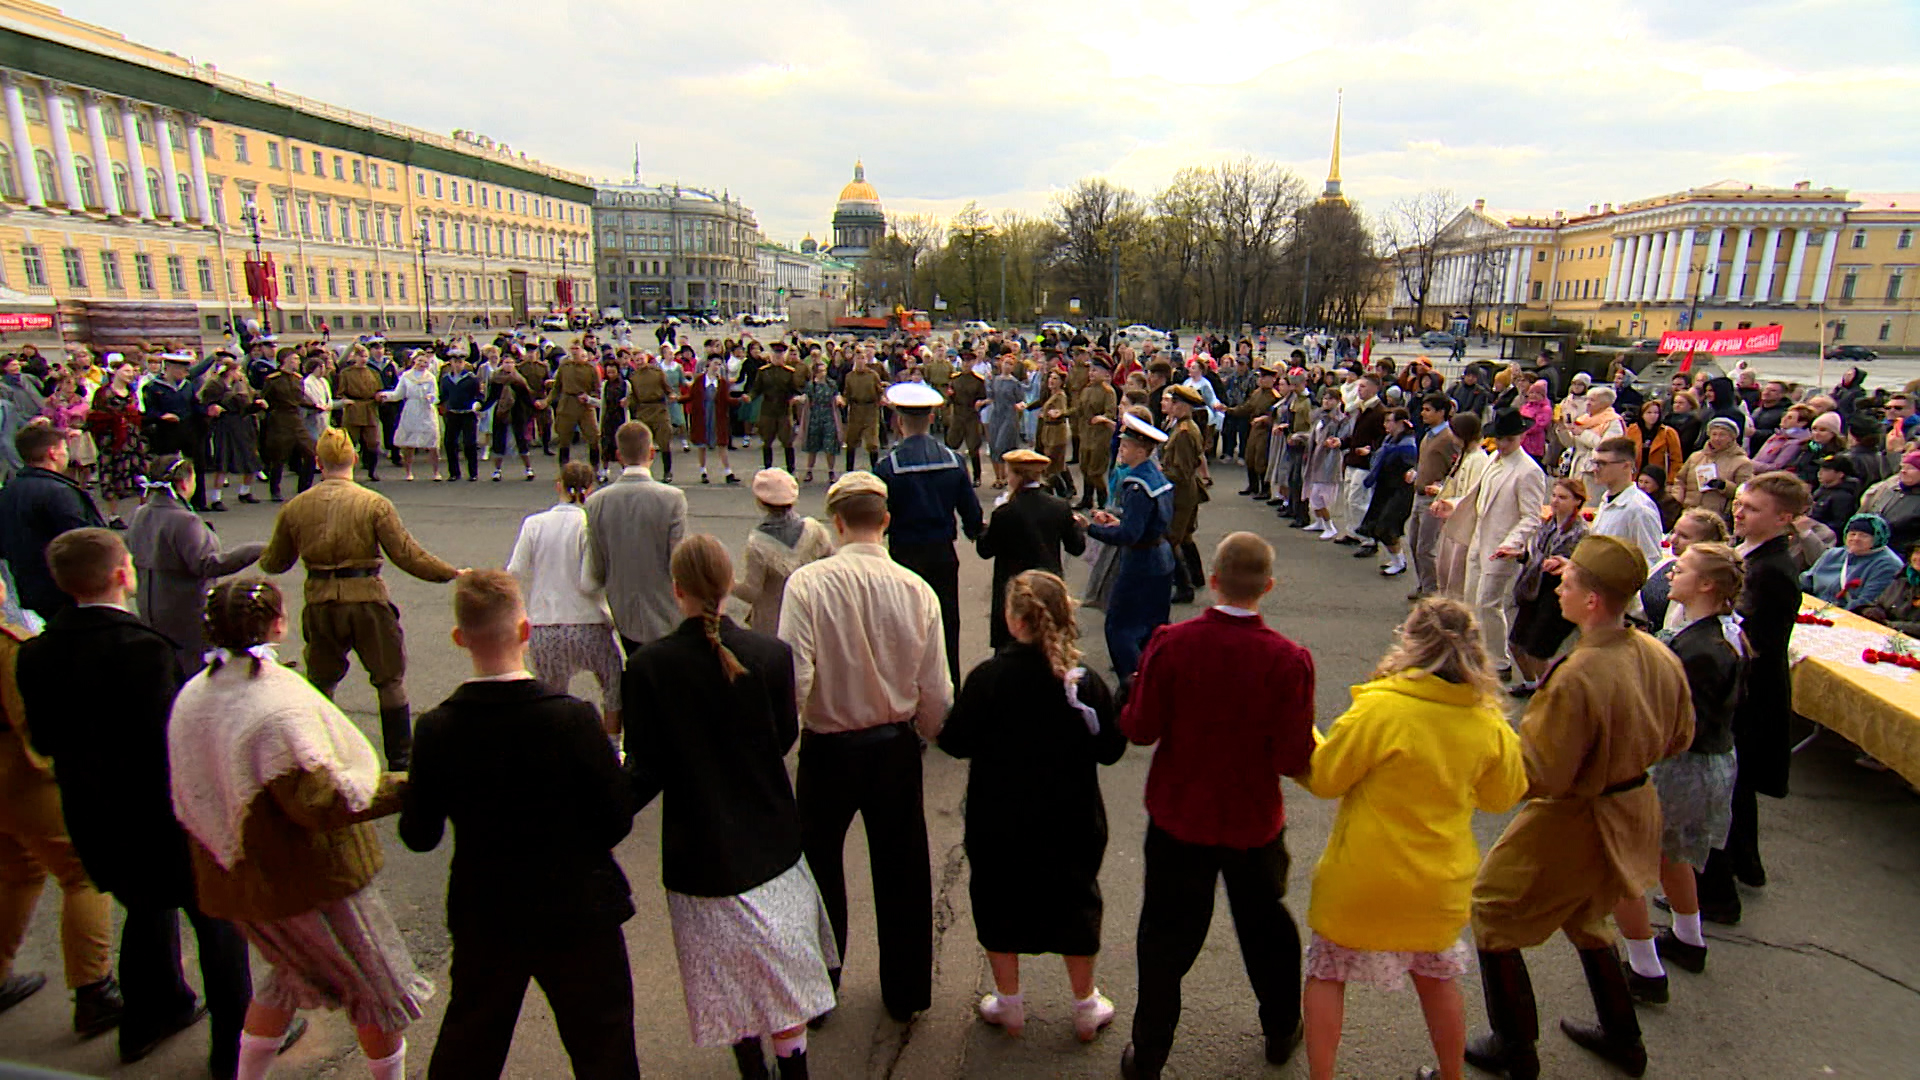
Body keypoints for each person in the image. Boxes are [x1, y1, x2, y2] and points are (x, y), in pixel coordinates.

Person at [20, 529, 253, 1073]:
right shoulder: (143, 651)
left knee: (145, 907)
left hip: (94, 814)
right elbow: (175, 743)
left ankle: (151, 1014)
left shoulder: (36, 654)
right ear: (124, 575)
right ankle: (234, 1045)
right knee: (218, 920)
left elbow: (45, 738)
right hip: (163, 816)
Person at [168, 576, 418, 1080]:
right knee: (375, 988)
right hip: (306, 880)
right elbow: (323, 802)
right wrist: (414, 786)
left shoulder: (195, 692)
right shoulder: (276, 704)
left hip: (237, 877)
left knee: (288, 974)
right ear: (279, 623)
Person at [1466, 535, 1694, 1080]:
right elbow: (1681, 735)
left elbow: (1539, 772)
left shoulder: (1580, 673)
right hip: (1634, 806)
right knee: (1588, 916)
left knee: (1492, 908)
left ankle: (1514, 1047)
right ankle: (1623, 1038)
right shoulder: (1657, 651)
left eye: (1566, 584)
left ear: (1592, 600)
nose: (1558, 590)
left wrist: (1479, 763)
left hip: (1579, 814)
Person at [401, 570, 639, 1079]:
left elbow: (420, 836)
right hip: (578, 906)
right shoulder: (572, 719)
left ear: (460, 638)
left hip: (487, 910)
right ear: (525, 631)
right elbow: (616, 821)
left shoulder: (438, 728)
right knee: (604, 1047)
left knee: (469, 1047)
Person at [628, 535, 836, 1079]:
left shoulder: (650, 667)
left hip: (699, 849)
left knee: (729, 975)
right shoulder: (771, 656)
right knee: (782, 969)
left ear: (677, 591)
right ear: (728, 586)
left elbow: (645, 770)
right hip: (771, 837)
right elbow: (784, 736)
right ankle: (794, 1068)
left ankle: (751, 1067)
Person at [1301, 597, 1526, 1080]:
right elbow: (1503, 795)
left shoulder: (1381, 709)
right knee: (1437, 978)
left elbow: (1325, 779)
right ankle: (1451, 1075)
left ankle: (1321, 1075)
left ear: (1411, 641)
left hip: (1361, 874)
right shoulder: (1488, 723)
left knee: (1327, 973)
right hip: (1438, 882)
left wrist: (1310, 738)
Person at [1117, 532, 1316, 1080]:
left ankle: (1150, 1050)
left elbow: (1141, 728)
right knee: (1266, 929)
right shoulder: (1288, 660)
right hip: (1252, 818)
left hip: (1180, 813)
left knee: (1164, 936)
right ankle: (1280, 1028)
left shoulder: (1172, 643)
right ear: (1268, 587)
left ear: (1213, 580)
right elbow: (1292, 756)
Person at [777, 472, 950, 1024]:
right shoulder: (916, 588)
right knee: (902, 870)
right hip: (893, 744)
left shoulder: (807, 585)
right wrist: (924, 729)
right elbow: (937, 687)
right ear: (887, 522)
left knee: (819, 869)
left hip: (829, 745)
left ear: (837, 522)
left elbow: (795, 674)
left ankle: (819, 987)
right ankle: (905, 992)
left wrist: (792, 731)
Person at [940, 570, 1125, 1044]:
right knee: (1076, 898)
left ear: (1010, 618)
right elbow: (1110, 749)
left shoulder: (989, 677)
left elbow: (957, 741)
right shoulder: (1081, 682)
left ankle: (1010, 1002)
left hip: (999, 814)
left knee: (998, 897)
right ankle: (1085, 1004)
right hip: (1072, 815)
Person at [258, 428, 462, 769]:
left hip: (321, 600)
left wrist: (257, 555)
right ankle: (400, 760)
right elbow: (408, 555)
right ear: (353, 459)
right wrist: (451, 573)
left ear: (319, 463)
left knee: (321, 680)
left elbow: (276, 563)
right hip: (366, 597)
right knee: (389, 679)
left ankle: (319, 757)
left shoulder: (297, 507)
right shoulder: (373, 503)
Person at [1611, 542, 1748, 1005]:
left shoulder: (1702, 648)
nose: (1671, 574)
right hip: (1707, 761)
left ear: (1707, 585)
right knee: (1675, 854)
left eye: (1682, 569)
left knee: (1625, 863)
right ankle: (1689, 940)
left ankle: (1645, 970)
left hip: (1682, 766)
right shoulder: (1716, 633)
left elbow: (1679, 720)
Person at [0, 572, 117, 1032]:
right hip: (18, 774)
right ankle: (95, 991)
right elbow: (31, 719)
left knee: (19, 871)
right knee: (84, 871)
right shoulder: (9, 644)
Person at [873, 382, 984, 686]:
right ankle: (950, 692)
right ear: (932, 418)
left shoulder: (887, 466)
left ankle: (906, 694)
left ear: (898, 420)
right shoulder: (953, 460)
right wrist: (978, 533)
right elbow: (972, 515)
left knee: (904, 629)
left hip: (904, 554)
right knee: (946, 625)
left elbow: (877, 517)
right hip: (942, 555)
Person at [507, 462, 625, 738]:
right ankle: (613, 745)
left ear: (558, 485)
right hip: (587, 622)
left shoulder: (534, 523)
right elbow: (589, 582)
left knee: (551, 697)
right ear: (591, 489)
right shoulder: (590, 524)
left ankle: (555, 747)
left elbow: (514, 572)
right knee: (612, 684)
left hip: (545, 624)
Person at [126, 455, 267, 674]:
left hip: (149, 607)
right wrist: (257, 550)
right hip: (185, 612)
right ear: (184, 483)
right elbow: (208, 564)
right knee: (190, 672)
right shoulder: (184, 520)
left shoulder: (140, 514)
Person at [1434, 409, 1548, 678]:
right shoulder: (1494, 459)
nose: (1502, 445)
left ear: (1520, 437)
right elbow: (1476, 496)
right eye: (1499, 439)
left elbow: (1531, 517)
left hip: (1501, 548)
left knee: (1488, 602)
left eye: (1508, 439)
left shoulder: (1529, 471)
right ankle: (1476, 653)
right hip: (1478, 539)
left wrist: (1513, 543)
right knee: (1472, 599)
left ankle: (1499, 661)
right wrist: (1451, 505)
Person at [1085, 414, 1176, 683]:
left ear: (1141, 449)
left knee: (1119, 626)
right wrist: (1118, 520)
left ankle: (1133, 685)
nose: (1121, 450)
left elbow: (1129, 536)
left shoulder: (1137, 484)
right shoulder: (1156, 478)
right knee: (1154, 627)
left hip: (1141, 563)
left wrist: (1089, 529)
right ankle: (1155, 678)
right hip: (1162, 557)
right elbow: (1149, 521)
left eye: (1125, 446)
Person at [586, 422, 689, 656]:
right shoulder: (672, 498)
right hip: (667, 608)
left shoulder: (596, 502)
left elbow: (598, 567)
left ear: (618, 456)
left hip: (622, 607)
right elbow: (678, 562)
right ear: (652, 452)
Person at [976, 449, 1085, 649]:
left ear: (1017, 476)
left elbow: (984, 549)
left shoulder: (1005, 512)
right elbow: (1076, 547)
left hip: (1014, 594)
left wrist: (987, 526)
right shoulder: (1059, 507)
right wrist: (1076, 524)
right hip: (1047, 590)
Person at [0, 422, 107, 621]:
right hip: (67, 593)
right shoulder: (59, 493)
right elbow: (83, 545)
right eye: (64, 449)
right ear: (52, 452)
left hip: (28, 588)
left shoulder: (8, 492)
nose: (66, 454)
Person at [1506, 478, 1588, 696]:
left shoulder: (1581, 532)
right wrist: (1522, 556)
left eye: (1563, 497)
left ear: (1577, 502)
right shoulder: (1549, 523)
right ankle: (1531, 683)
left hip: (1556, 591)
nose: (1555, 501)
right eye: (1554, 496)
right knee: (1515, 643)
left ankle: (1551, 692)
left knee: (1537, 651)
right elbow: (1536, 555)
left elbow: (1577, 564)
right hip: (1534, 585)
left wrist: (1558, 564)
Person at [734, 468, 833, 633]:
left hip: (773, 623)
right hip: (809, 616)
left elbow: (751, 592)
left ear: (760, 502)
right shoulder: (814, 529)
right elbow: (831, 566)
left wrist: (729, 583)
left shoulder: (758, 542)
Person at [1407, 395, 1462, 597]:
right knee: (1413, 542)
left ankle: (1431, 590)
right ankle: (1424, 583)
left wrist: (1442, 485)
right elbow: (1425, 462)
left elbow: (1456, 467)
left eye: (1428, 410)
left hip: (1433, 499)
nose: (1423, 413)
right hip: (1419, 494)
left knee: (1425, 547)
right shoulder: (1428, 434)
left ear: (1441, 412)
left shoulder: (1448, 437)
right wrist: (1416, 474)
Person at [1355, 406, 1419, 574]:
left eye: (1389, 421)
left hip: (1399, 491)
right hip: (1385, 488)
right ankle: (1398, 559)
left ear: (1401, 423)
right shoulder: (1389, 440)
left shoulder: (1407, 445)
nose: (1385, 425)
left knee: (1387, 527)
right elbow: (1382, 457)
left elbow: (1411, 465)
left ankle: (1399, 562)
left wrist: (1412, 472)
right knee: (1380, 526)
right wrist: (1371, 454)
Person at [1161, 385, 1208, 604]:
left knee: (1172, 538)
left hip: (1181, 491)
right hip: (1186, 488)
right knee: (1186, 535)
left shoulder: (1183, 433)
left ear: (1187, 406)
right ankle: (1196, 576)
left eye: (1178, 403)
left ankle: (1184, 587)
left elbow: (1181, 470)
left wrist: (1161, 472)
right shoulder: (1185, 427)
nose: (1174, 406)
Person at [1800, 511, 1903, 610]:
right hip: (1814, 607)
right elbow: (1807, 580)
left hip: (1845, 614)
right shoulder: (1834, 554)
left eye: (1864, 536)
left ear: (1877, 538)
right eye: (1852, 534)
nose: (1856, 539)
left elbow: (1866, 601)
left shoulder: (1887, 564)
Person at [258, 348, 317, 501]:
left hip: (295, 419)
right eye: (294, 359)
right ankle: (275, 489)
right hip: (280, 419)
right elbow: (264, 399)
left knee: (310, 452)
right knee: (279, 457)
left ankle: (304, 487)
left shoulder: (298, 378)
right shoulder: (273, 379)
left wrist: (314, 405)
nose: (297, 362)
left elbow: (300, 398)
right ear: (285, 360)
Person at [1680, 417, 1755, 522]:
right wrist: (1678, 500)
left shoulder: (1742, 462)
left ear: (1732, 438)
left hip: (1717, 518)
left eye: (1722, 435)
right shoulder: (1695, 457)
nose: (1717, 438)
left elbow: (1746, 492)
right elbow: (1680, 480)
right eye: (1714, 434)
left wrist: (1724, 486)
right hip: (1689, 513)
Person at [383, 352, 442, 482]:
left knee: (432, 441)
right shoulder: (406, 376)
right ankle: (408, 471)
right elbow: (398, 394)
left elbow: (436, 395)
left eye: (425, 362)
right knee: (409, 443)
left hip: (426, 409)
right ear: (414, 361)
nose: (422, 364)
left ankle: (435, 472)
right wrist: (386, 396)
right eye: (420, 361)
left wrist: (431, 398)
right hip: (411, 408)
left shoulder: (430, 377)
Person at [1301, 390, 1351, 539]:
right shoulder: (1319, 416)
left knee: (1320, 495)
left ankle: (1330, 525)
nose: (1326, 402)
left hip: (1329, 458)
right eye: (1324, 399)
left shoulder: (1341, 419)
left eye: (1330, 399)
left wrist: (1335, 441)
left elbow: (1344, 437)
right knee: (1312, 492)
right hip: (1315, 456)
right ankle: (1319, 521)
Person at [333, 346, 386, 483]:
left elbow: (379, 389)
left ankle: (372, 470)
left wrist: (379, 397)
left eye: (365, 356)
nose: (363, 359)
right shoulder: (347, 373)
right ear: (355, 357)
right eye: (361, 356)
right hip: (354, 408)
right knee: (349, 442)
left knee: (373, 442)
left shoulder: (374, 373)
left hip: (370, 409)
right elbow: (340, 391)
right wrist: (344, 400)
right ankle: (346, 470)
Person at [547, 344, 603, 472]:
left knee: (593, 436)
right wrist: (547, 401)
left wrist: (589, 397)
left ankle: (595, 468)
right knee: (564, 437)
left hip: (585, 407)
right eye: (573, 350)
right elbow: (557, 388)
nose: (576, 354)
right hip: (567, 404)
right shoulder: (565, 367)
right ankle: (563, 468)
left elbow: (597, 389)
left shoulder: (591, 369)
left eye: (579, 351)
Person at [1074, 359, 1120, 510]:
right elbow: (1078, 410)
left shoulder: (1108, 392)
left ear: (1105, 373)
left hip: (1100, 437)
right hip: (1086, 434)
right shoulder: (1086, 389)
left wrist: (1102, 418)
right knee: (1085, 468)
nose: (1091, 373)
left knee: (1096, 471)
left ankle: (1103, 501)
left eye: (1095, 370)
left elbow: (1110, 413)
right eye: (1090, 370)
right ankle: (1087, 499)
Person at [437, 349, 484, 483]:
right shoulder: (446, 379)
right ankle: (454, 473)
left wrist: (477, 404)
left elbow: (479, 395)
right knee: (450, 443)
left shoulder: (471, 378)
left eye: (461, 362)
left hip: (468, 414)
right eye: (455, 362)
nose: (458, 365)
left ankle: (473, 473)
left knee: (469, 443)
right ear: (450, 363)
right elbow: (443, 396)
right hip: (452, 414)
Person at [944, 352, 989, 485]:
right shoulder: (955, 379)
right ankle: (950, 473)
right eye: (964, 361)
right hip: (958, 415)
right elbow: (949, 398)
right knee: (951, 444)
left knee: (973, 446)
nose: (966, 364)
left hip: (971, 416)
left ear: (973, 363)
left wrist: (980, 405)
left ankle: (977, 476)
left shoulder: (978, 381)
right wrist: (949, 396)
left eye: (969, 361)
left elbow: (983, 397)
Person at [841, 348, 887, 476]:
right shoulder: (849, 376)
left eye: (862, 359)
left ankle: (875, 471)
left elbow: (879, 391)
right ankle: (848, 471)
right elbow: (847, 393)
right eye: (858, 359)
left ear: (866, 360)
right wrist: (843, 401)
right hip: (856, 409)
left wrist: (882, 399)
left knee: (872, 442)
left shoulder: (872, 375)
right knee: (851, 440)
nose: (860, 361)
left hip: (870, 409)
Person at [798, 362, 842, 483]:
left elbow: (836, 395)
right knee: (812, 446)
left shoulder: (831, 384)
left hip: (829, 418)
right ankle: (809, 471)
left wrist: (839, 399)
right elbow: (806, 398)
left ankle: (831, 472)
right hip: (814, 417)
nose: (823, 373)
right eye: (821, 371)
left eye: (825, 370)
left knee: (830, 447)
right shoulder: (811, 385)